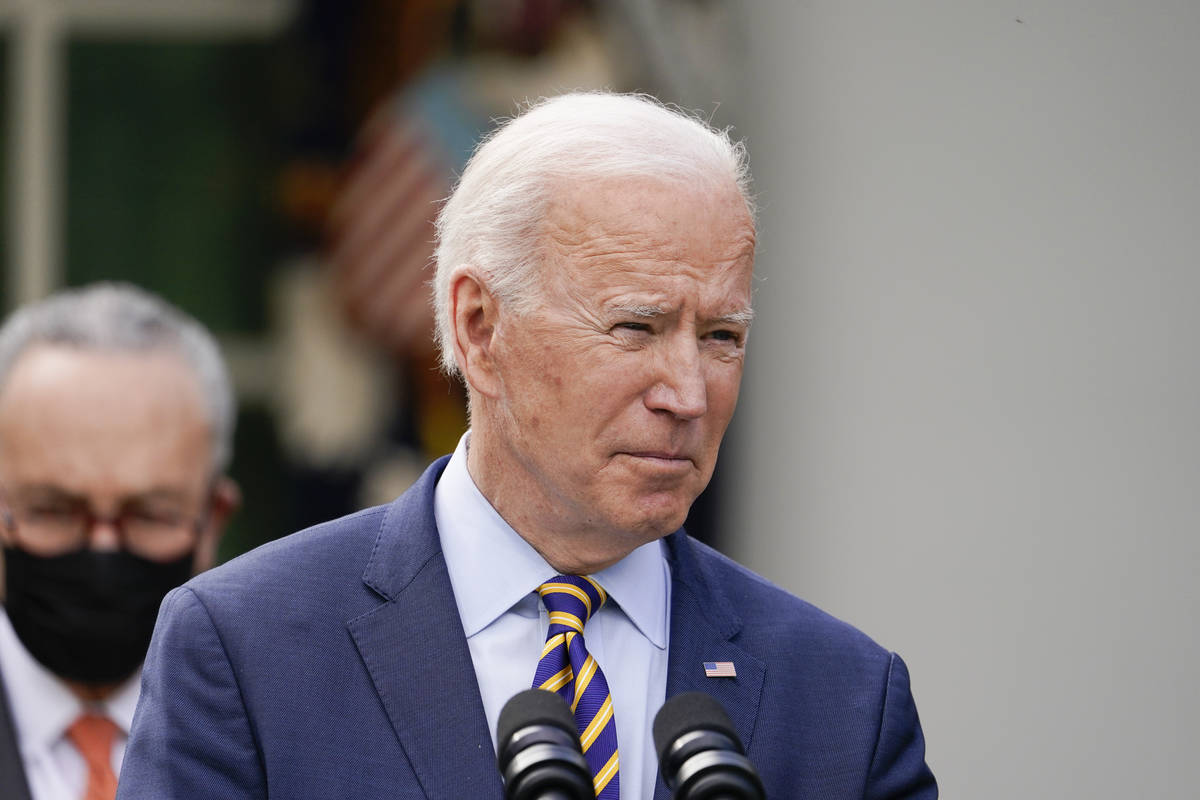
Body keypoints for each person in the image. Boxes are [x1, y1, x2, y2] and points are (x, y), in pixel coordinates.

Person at [117, 92, 937, 799]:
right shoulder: (247, 649)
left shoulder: (844, 701)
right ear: (481, 327)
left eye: (721, 336)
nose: (687, 394)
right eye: (635, 327)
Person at [0, 284, 239, 800]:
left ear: (213, 519)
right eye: (53, 510)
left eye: (149, 514)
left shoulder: (290, 729)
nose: (103, 553)